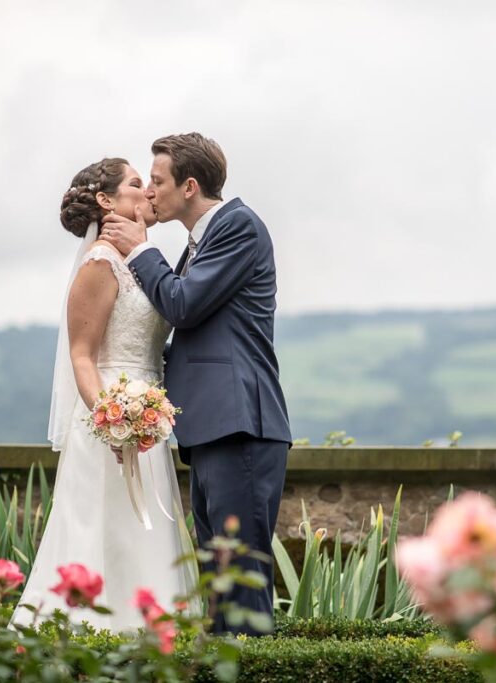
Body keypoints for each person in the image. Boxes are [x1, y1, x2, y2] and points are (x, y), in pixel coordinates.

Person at [100, 133, 291, 635]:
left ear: (188, 186)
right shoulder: (197, 243)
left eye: (156, 182)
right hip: (210, 430)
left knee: (241, 581)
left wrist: (141, 251)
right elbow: (194, 335)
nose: (148, 194)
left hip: (241, 427)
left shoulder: (238, 227)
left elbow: (183, 306)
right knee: (220, 584)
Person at [11, 158, 196, 632]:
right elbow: (81, 358)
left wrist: (143, 420)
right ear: (106, 201)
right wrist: (112, 421)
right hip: (109, 428)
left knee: (143, 544)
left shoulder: (141, 263)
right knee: (101, 538)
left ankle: (148, 644)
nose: (149, 192)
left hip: (147, 425)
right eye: (137, 184)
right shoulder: (99, 263)